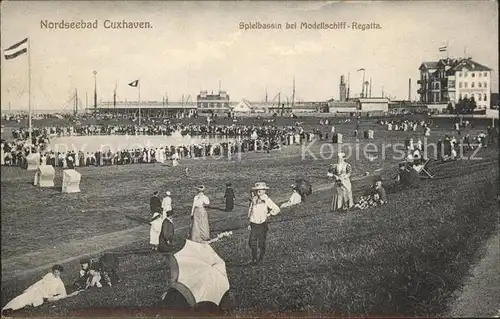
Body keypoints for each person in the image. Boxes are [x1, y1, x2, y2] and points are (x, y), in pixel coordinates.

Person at [2, 264, 75, 313]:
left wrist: (51, 299)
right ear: (53, 271)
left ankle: (12, 309)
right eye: (55, 272)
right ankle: (8, 308)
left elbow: (63, 295)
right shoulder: (49, 275)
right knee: (23, 297)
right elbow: (39, 283)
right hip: (36, 290)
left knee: (28, 301)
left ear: (60, 273)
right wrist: (29, 288)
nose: (56, 274)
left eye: (58, 272)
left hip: (42, 296)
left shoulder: (60, 283)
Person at [247, 182, 280, 264]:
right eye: (257, 190)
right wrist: (249, 223)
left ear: (264, 191)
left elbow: (276, 209)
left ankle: (260, 258)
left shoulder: (266, 200)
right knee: (251, 242)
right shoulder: (254, 199)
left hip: (262, 224)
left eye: (260, 190)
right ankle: (254, 258)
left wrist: (268, 214)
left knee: (261, 242)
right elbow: (251, 212)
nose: (258, 191)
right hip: (254, 223)